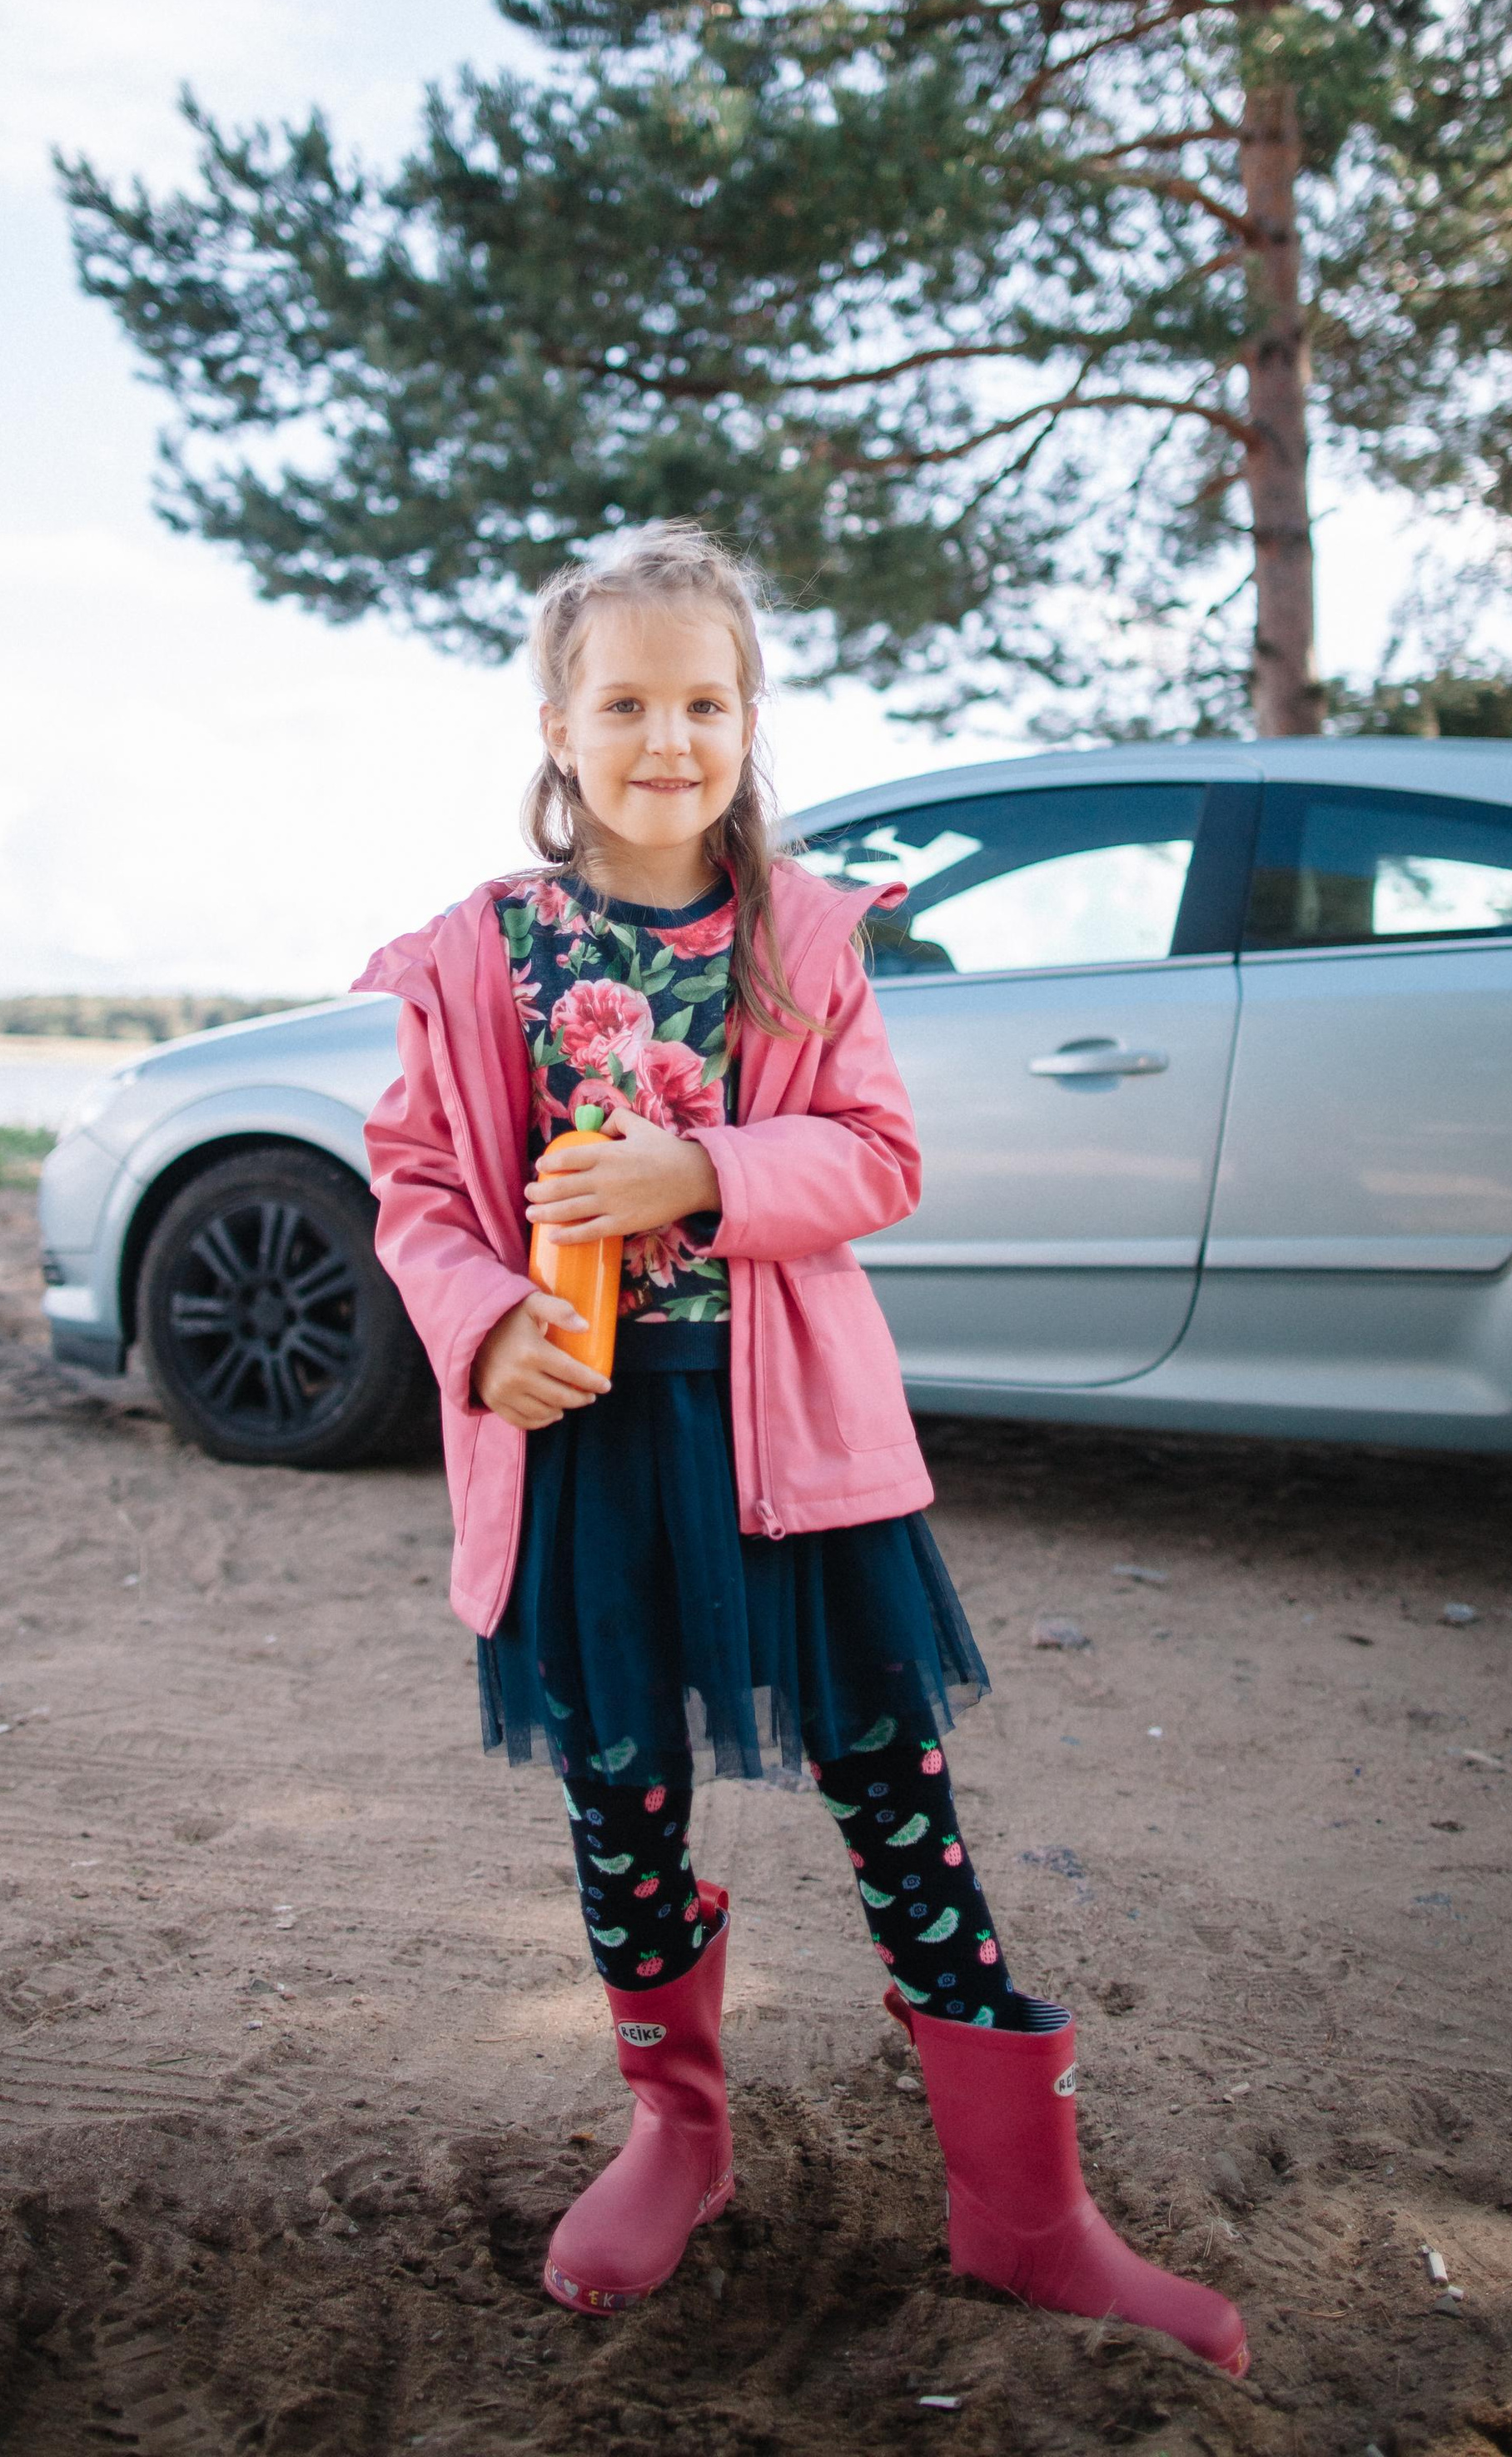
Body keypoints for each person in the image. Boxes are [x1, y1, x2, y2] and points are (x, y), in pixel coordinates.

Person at [354, 522, 1246, 2373]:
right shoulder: (484, 951)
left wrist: (707, 1173)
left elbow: (876, 1157)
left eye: (704, 699)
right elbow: (420, 1185)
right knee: (621, 1799)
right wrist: (482, 1324)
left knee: (888, 1794)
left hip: (793, 1449)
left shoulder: (801, 933)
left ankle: (1026, 2210)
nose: (664, 737)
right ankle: (676, 2134)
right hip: (584, 1451)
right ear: (555, 720)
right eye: (624, 701)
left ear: (749, 717)